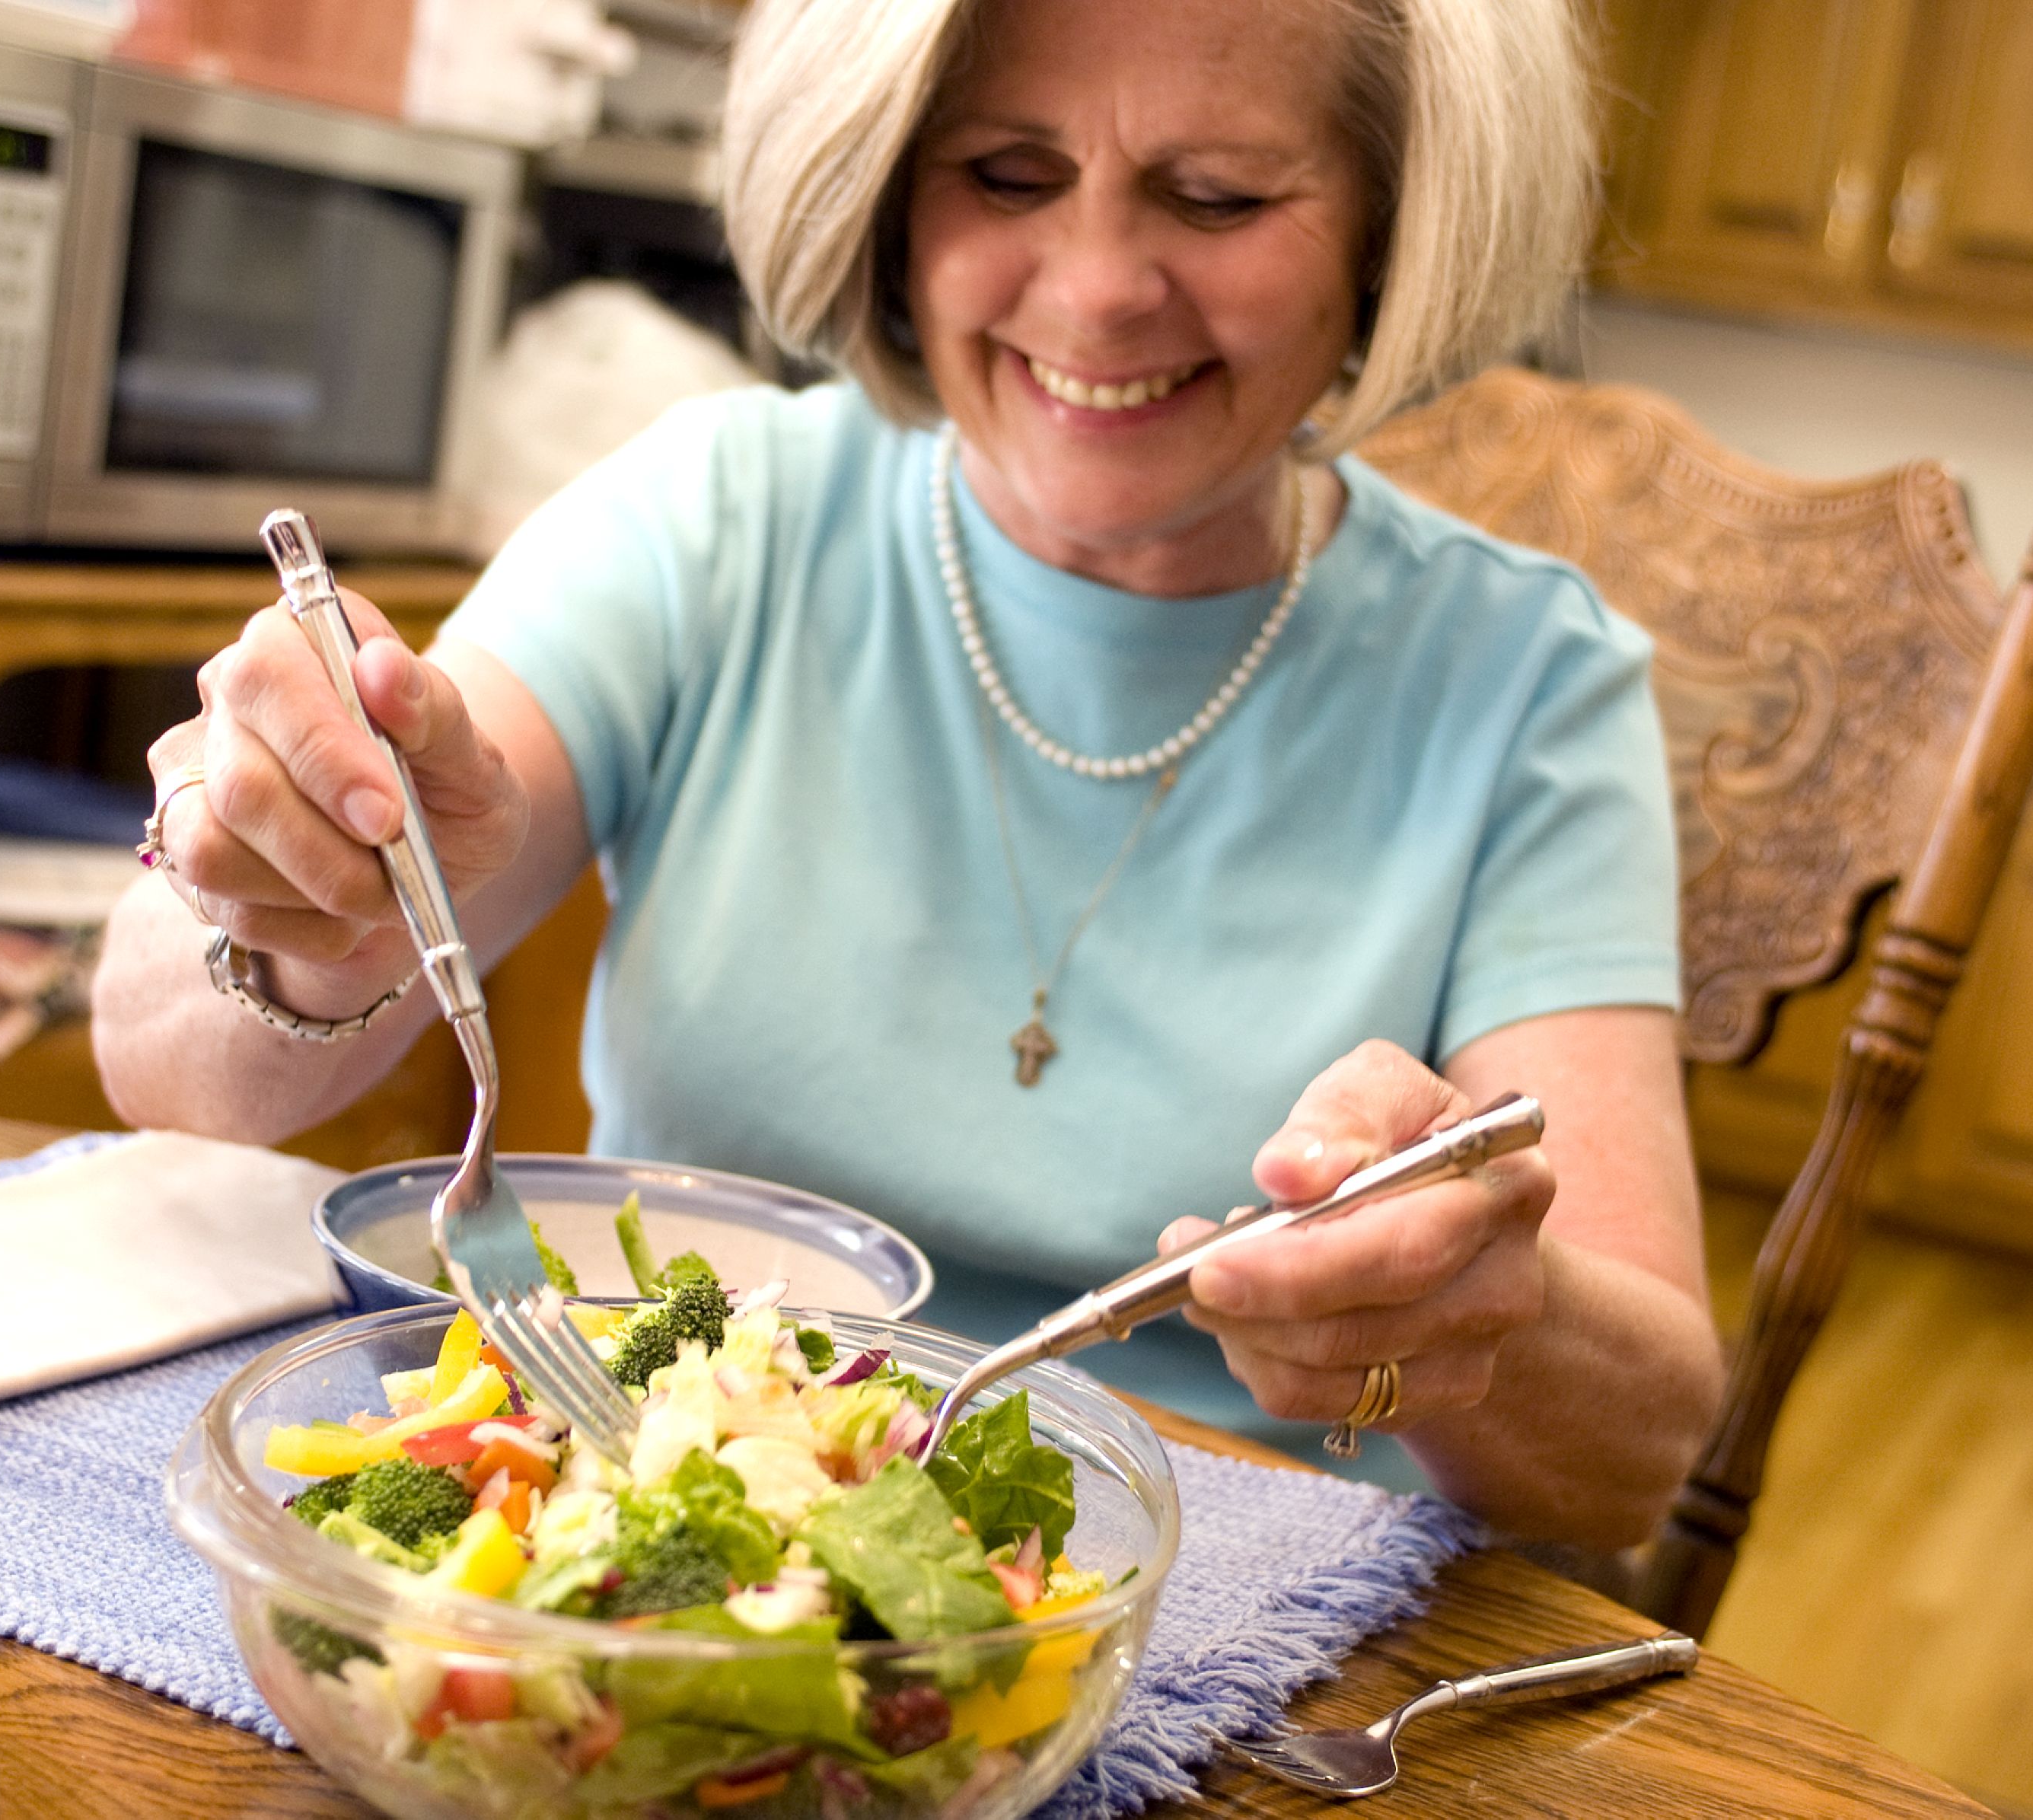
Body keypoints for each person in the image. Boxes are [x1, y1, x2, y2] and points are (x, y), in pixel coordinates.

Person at [92, 0, 1724, 1546]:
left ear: (1393, 229)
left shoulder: (1529, 689)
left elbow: (1634, 1455)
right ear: (884, 197)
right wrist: (292, 876)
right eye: (1010, 176)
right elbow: (176, 1070)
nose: (1095, 293)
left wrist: (1472, 1311)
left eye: (1218, 198)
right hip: (671, 1547)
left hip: (1243, 1624)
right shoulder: (715, 519)